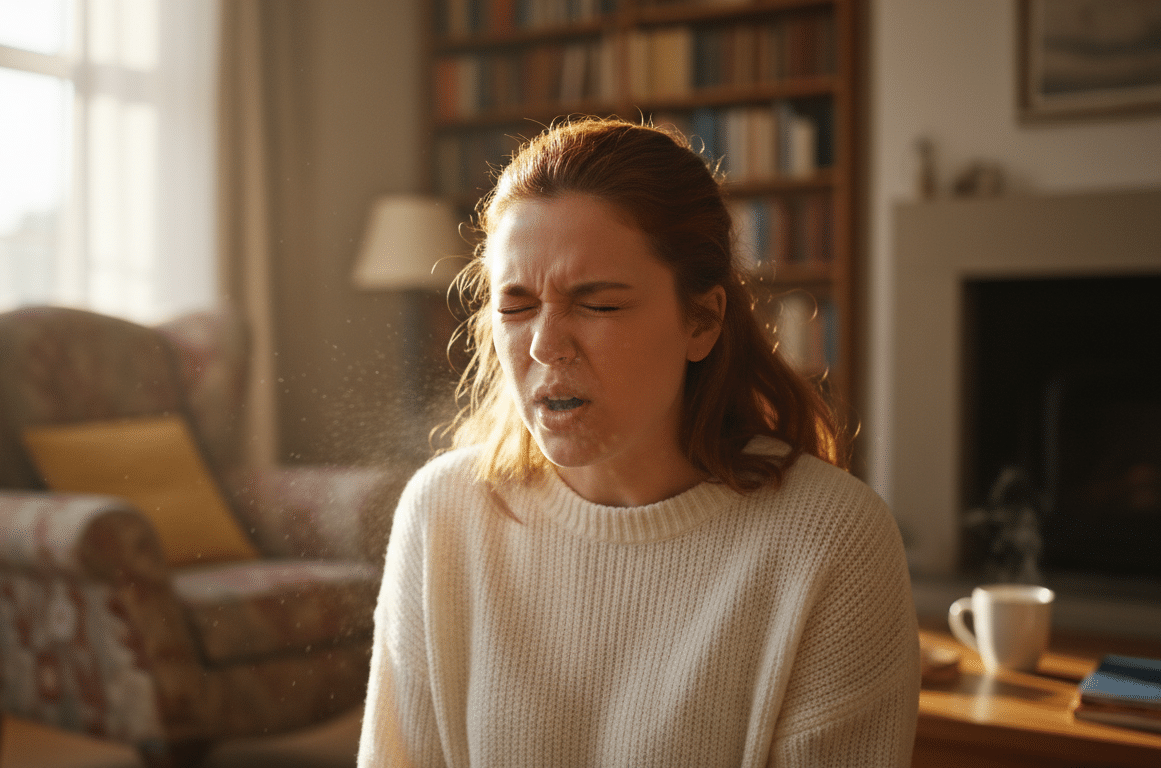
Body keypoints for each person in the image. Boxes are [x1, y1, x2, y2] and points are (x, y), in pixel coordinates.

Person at [358, 118, 918, 767]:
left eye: (597, 305)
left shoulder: (831, 539)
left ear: (702, 320)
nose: (543, 345)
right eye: (515, 306)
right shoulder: (443, 513)